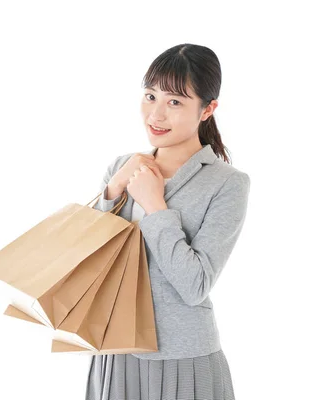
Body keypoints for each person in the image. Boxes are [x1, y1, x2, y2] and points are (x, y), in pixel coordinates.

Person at [86, 43, 250, 400]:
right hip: (114, 351)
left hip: (182, 357)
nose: (155, 115)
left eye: (174, 102)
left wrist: (155, 207)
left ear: (208, 109)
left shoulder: (227, 183)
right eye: (150, 96)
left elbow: (195, 285)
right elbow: (87, 263)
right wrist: (113, 191)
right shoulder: (121, 167)